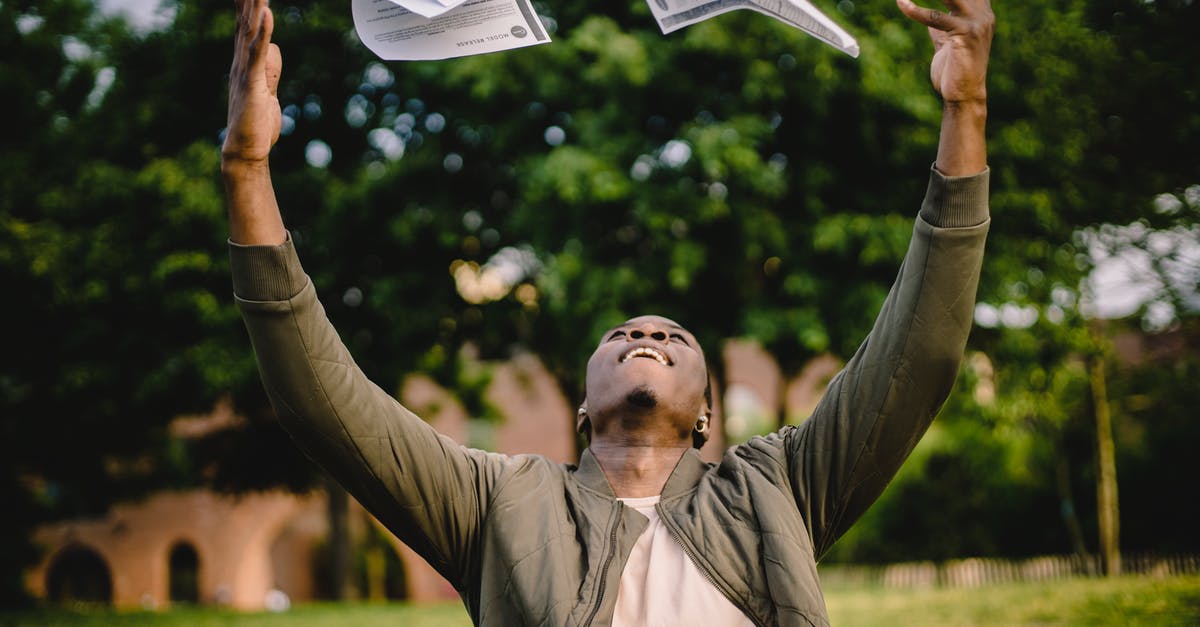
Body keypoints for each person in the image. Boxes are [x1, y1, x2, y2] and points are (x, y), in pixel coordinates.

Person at [221, 0, 994, 624]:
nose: (646, 332)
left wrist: (965, 110)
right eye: (623, 334)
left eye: (671, 336)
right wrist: (247, 169)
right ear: (584, 406)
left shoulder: (780, 487)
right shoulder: (500, 504)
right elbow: (322, 400)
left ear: (705, 416)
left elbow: (916, 357)